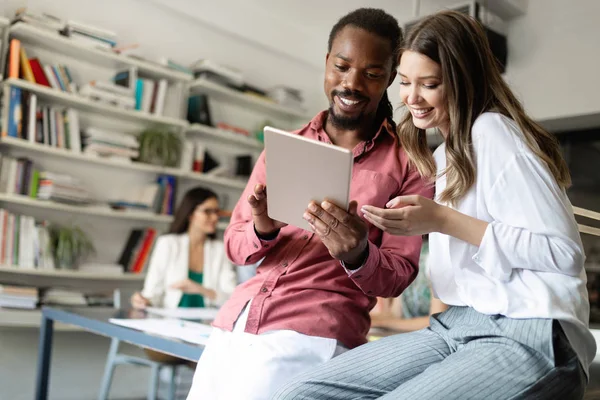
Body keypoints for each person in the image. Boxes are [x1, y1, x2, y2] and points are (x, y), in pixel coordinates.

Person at [274, 10, 596, 400]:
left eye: (429, 84)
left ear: (462, 82)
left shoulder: (493, 132)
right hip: (457, 324)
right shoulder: (445, 156)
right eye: (406, 82)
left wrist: (442, 219)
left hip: (532, 330)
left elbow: (562, 252)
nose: (412, 98)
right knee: (298, 393)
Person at [187, 8, 432, 400]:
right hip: (237, 322)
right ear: (326, 64)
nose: (351, 83)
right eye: (341, 66)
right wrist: (262, 228)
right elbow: (235, 245)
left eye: (371, 74)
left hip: (313, 332)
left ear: (389, 79)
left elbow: (399, 275)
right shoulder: (284, 145)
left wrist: (357, 252)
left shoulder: (410, 167)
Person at [131, 186, 237, 311]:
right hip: (170, 323)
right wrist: (141, 300)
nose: (214, 218)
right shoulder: (168, 244)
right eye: (207, 211)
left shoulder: (221, 249)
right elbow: (152, 294)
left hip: (209, 323)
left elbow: (232, 297)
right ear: (190, 214)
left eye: (216, 212)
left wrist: (201, 289)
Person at [370, 241, 448, 333]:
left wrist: (381, 323)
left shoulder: (437, 256)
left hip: (435, 338)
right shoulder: (407, 257)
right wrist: (363, 319)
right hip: (411, 334)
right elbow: (396, 314)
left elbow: (437, 323)